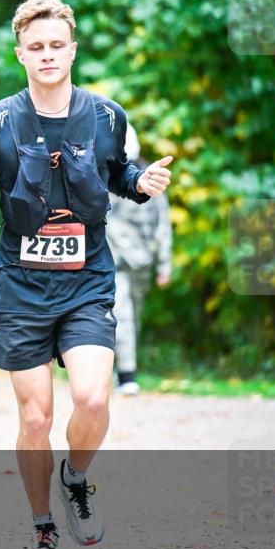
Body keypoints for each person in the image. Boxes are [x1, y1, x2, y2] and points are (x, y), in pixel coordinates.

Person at [0, 0, 173, 549]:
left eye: (56, 45)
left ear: (72, 50)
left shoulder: (106, 115)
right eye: (36, 47)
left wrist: (140, 182)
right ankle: (42, 526)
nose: (47, 54)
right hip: (22, 283)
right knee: (35, 418)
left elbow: (118, 174)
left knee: (93, 398)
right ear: (20, 54)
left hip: (87, 279)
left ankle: (75, 477)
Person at [106, 124, 173, 396]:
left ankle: (117, 367)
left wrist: (164, 264)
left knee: (133, 316)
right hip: (117, 261)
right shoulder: (109, 179)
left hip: (142, 261)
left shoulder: (151, 181)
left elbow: (162, 224)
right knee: (122, 315)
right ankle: (127, 376)